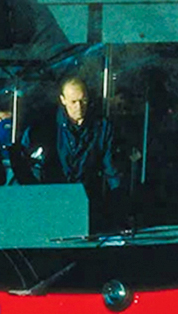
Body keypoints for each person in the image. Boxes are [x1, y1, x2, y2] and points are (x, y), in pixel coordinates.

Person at [16, 77, 125, 229]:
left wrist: (119, 206)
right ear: (63, 100)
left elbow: (112, 170)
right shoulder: (43, 128)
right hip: (49, 204)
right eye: (73, 102)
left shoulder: (102, 128)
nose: (79, 107)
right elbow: (26, 167)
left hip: (87, 204)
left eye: (83, 101)